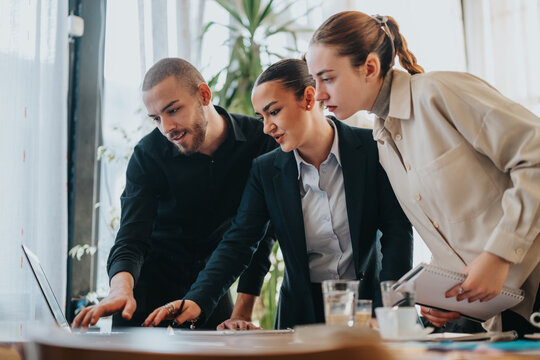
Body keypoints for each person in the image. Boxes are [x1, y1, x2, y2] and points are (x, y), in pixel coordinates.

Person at [305, 11, 540, 336]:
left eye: (327, 78)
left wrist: (499, 255)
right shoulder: (382, 138)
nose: (317, 94)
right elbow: (450, 223)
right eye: (314, 80)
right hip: (507, 311)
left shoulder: (439, 93)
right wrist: (449, 292)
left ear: (370, 68)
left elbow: (536, 154)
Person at [141, 58, 413, 329]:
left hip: (373, 305)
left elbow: (397, 231)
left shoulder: (371, 148)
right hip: (301, 315)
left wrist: (390, 307)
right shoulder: (266, 170)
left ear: (308, 99)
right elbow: (239, 242)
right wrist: (197, 300)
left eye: (274, 112)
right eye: (261, 117)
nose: (266, 127)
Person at [72, 57, 277, 329]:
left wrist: (241, 313)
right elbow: (131, 237)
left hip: (210, 286)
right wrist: (120, 289)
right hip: (144, 292)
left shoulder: (260, 142)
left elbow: (259, 236)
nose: (166, 128)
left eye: (173, 110)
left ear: (204, 95)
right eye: (156, 118)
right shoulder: (148, 155)